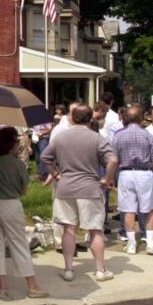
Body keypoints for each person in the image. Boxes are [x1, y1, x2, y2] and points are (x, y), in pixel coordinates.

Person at [40, 103, 118, 282]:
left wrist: (55, 174)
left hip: (65, 187)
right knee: (94, 230)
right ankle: (100, 270)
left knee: (68, 229)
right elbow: (112, 160)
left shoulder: (61, 137)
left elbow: (45, 157)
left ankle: (68, 269)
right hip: (90, 188)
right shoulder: (97, 138)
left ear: (71, 118)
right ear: (91, 119)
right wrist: (107, 179)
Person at [0, 126, 48, 300]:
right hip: (11, 204)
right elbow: (24, 190)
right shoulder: (18, 164)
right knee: (19, 244)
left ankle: (2, 287)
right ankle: (32, 286)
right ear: (11, 144)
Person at [110, 106, 153, 256]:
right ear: (141, 118)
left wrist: (110, 178)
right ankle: (150, 242)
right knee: (149, 209)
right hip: (145, 173)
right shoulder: (147, 135)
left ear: (125, 118)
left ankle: (131, 243)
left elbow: (114, 160)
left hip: (126, 173)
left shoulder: (118, 136)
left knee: (128, 209)